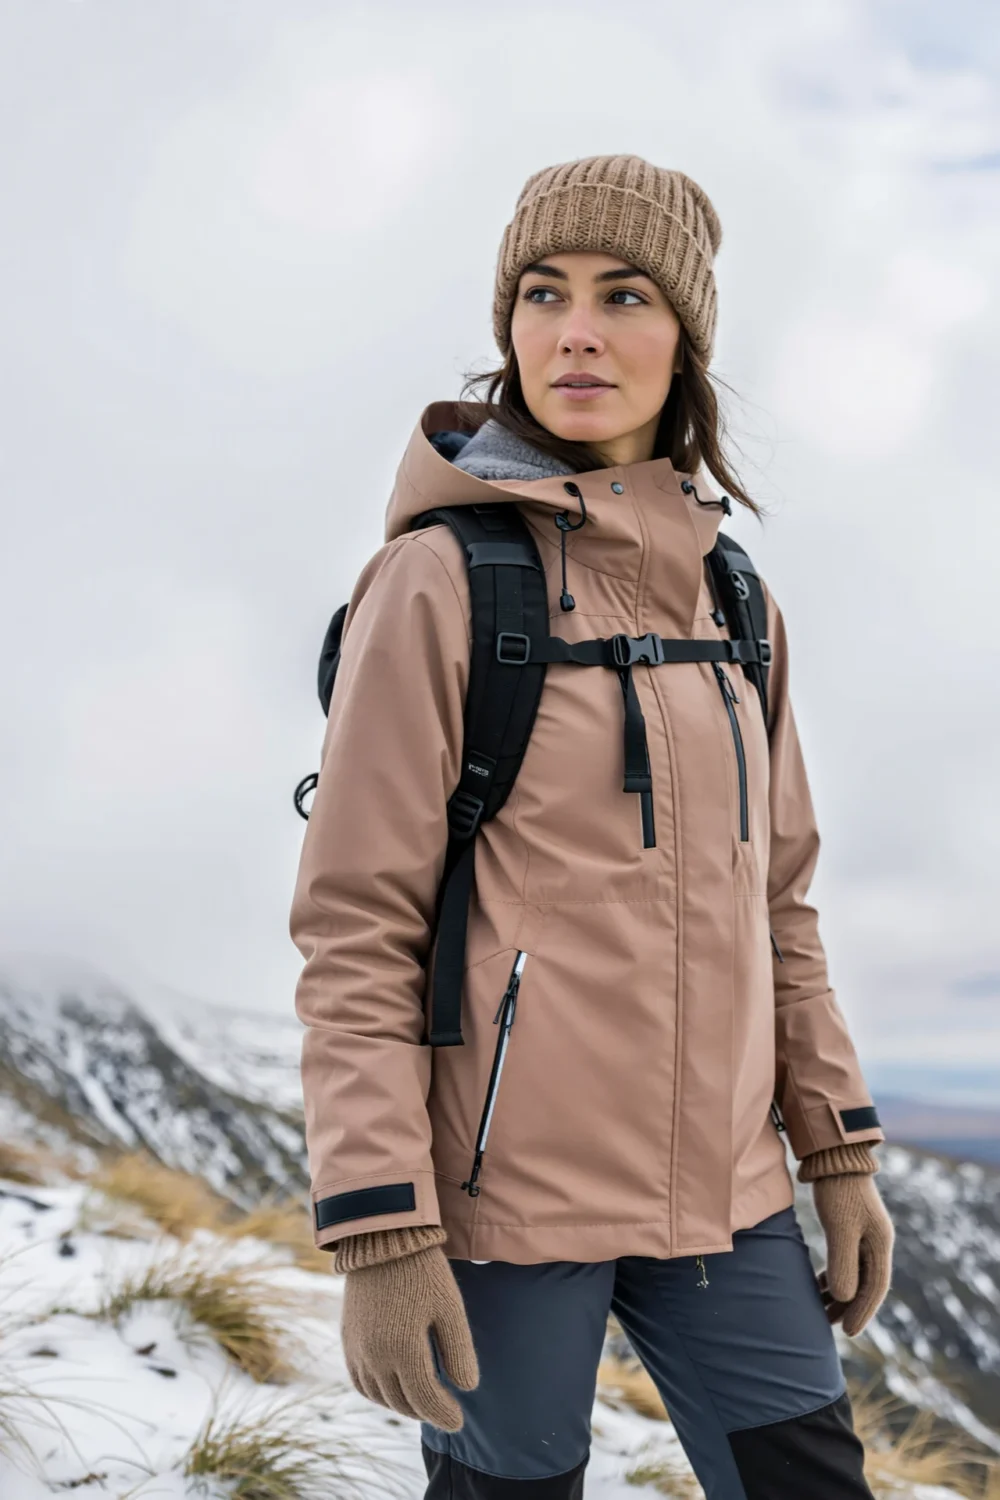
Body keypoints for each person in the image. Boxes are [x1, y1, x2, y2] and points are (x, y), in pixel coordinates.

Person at [290, 154, 894, 1500]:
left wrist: (836, 1152)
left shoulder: (736, 597)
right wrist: (383, 1233)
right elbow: (358, 926)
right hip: (509, 1216)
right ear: (508, 328)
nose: (577, 329)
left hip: (730, 1204)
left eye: (625, 295)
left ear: (685, 341)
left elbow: (778, 900)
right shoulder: (440, 583)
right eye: (544, 293)